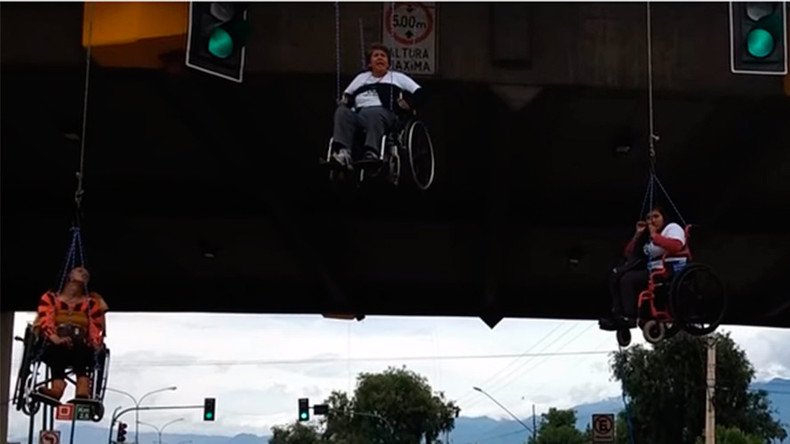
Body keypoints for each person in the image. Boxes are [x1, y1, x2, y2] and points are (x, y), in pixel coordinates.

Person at [330, 43, 425, 166]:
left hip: (385, 114)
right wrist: (344, 103)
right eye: (376, 55)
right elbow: (347, 96)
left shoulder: (396, 77)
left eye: (383, 56)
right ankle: (343, 153)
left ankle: (372, 152)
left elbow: (420, 92)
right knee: (341, 112)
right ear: (370, 63)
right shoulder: (361, 78)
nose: (380, 58)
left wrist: (409, 104)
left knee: (374, 112)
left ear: (388, 63)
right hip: (359, 114)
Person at [601, 205, 686, 329]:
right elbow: (629, 253)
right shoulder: (647, 236)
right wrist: (638, 234)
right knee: (616, 277)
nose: (652, 220)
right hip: (652, 270)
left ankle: (630, 317)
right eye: (648, 218)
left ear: (664, 217)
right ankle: (618, 314)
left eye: (656, 216)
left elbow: (676, 246)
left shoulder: (672, 228)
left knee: (628, 280)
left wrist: (655, 235)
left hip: (669, 269)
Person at [35, 266, 108, 401]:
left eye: (87, 273)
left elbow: (95, 327)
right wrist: (55, 337)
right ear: (69, 276)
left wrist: (96, 343)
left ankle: (83, 387)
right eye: (79, 271)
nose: (84, 273)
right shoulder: (50, 298)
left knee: (80, 347)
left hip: (81, 344)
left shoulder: (91, 303)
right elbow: (45, 319)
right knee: (57, 348)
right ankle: (57, 388)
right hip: (55, 342)